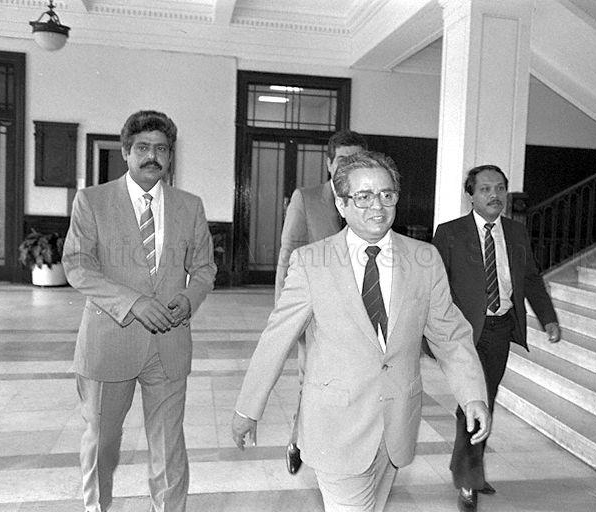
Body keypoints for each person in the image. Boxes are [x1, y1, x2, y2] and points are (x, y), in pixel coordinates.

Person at [232, 151, 491, 512]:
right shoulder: (311, 262)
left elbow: (450, 334)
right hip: (335, 427)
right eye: (363, 197)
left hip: (396, 422)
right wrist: (249, 408)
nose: (377, 207)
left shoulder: (424, 259)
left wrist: (472, 394)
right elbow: (277, 338)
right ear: (341, 203)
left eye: (387, 195)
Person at [62, 110, 217, 512]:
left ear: (171, 156)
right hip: (109, 342)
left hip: (169, 343)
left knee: (168, 447)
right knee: (103, 444)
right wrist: (132, 303)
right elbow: (77, 265)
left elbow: (204, 268)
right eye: (143, 148)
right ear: (126, 153)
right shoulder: (92, 201)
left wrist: (189, 298)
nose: (153, 156)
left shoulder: (189, 206)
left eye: (162, 149)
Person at [431, 165, 560, 512]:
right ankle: (469, 480)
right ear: (470, 195)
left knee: (483, 400)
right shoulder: (450, 233)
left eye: (500, 188)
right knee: (473, 399)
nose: (495, 195)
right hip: (463, 331)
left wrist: (548, 318)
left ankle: (466, 467)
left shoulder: (516, 232)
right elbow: (436, 285)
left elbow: (531, 278)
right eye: (486, 189)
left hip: (500, 327)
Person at [276, 130, 368, 474]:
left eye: (356, 159)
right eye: (343, 159)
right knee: (310, 379)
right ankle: (298, 438)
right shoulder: (307, 197)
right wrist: (284, 313)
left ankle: (340, 444)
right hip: (315, 311)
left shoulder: (369, 199)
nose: (349, 166)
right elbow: (288, 254)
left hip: (358, 312)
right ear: (329, 163)